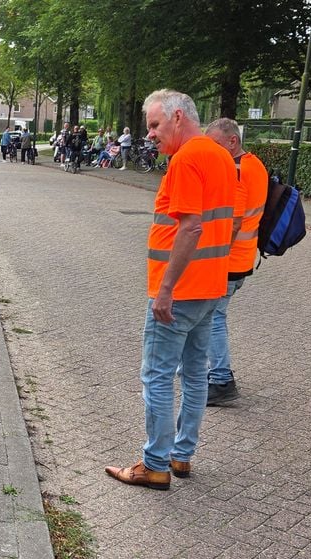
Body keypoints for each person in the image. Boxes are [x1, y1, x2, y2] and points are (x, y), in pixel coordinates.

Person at [104, 89, 236, 491]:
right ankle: (182, 455)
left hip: (180, 293)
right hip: (211, 286)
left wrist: (165, 290)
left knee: (158, 376)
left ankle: (154, 465)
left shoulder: (186, 159)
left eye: (155, 125)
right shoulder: (222, 158)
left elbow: (191, 226)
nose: (151, 135)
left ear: (178, 117)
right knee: (195, 374)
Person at [204, 117, 266, 406]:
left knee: (213, 317)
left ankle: (220, 380)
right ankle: (209, 371)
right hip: (243, 257)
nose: (213, 151)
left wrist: (215, 256)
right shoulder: (255, 164)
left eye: (216, 144)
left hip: (229, 259)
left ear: (233, 140)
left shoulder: (237, 169)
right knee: (213, 315)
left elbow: (235, 219)